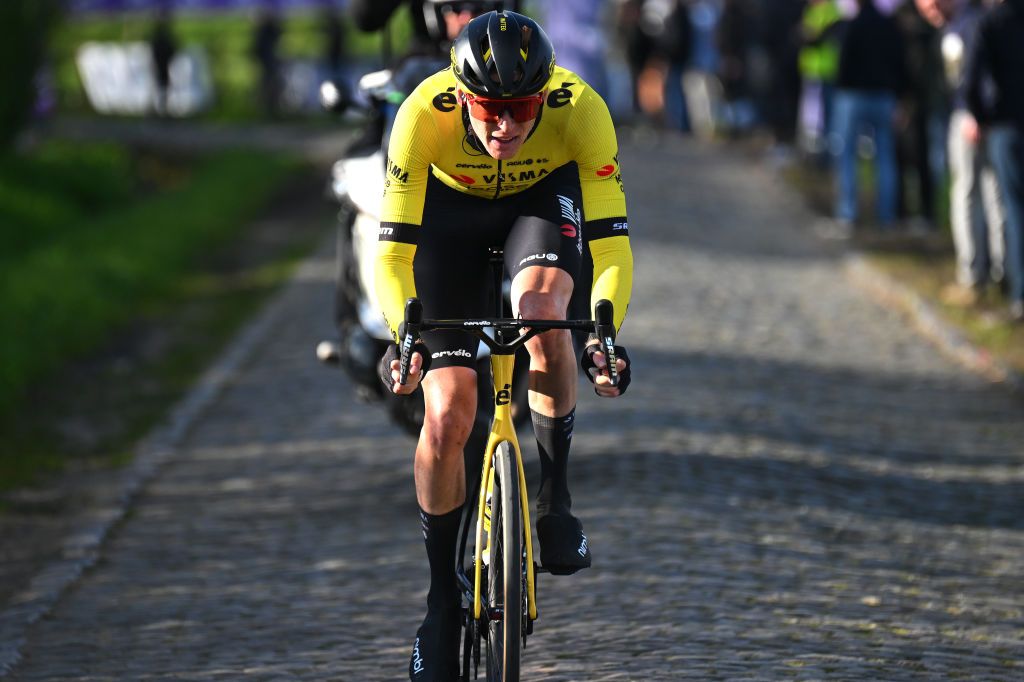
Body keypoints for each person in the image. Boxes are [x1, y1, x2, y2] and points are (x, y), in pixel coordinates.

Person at [373, 11, 634, 680]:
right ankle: (439, 601)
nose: (506, 126)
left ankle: (556, 500)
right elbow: (394, 254)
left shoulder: (581, 109)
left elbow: (609, 244)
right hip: (446, 222)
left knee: (548, 319)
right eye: (490, 108)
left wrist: (605, 327)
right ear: (461, 96)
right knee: (447, 413)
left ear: (543, 96)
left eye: (521, 109)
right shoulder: (419, 114)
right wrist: (403, 331)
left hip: (538, 208)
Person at [940, 0, 1006, 307]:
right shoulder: (982, 18)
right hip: (992, 116)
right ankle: (1000, 270)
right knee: (992, 193)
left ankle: (974, 273)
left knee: (971, 193)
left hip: (972, 118)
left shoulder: (967, 23)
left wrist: (970, 112)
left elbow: (965, 77)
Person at [965, 0, 1024, 321]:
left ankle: (1020, 293)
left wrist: (981, 118)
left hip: (1007, 126)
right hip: (1007, 123)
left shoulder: (990, 22)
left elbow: (971, 80)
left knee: (1015, 210)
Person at [829, 0, 907, 233]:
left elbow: (844, 62)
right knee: (885, 157)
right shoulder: (888, 25)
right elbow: (900, 63)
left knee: (847, 156)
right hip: (884, 96)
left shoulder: (853, 25)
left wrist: (841, 86)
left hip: (853, 95)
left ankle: (848, 212)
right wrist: (901, 94)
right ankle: (886, 216)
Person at [149, 8, 177, 116]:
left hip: (162, 63)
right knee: (161, 85)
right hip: (161, 63)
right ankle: (160, 109)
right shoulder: (162, 35)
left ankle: (161, 109)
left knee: (161, 85)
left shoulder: (160, 34)